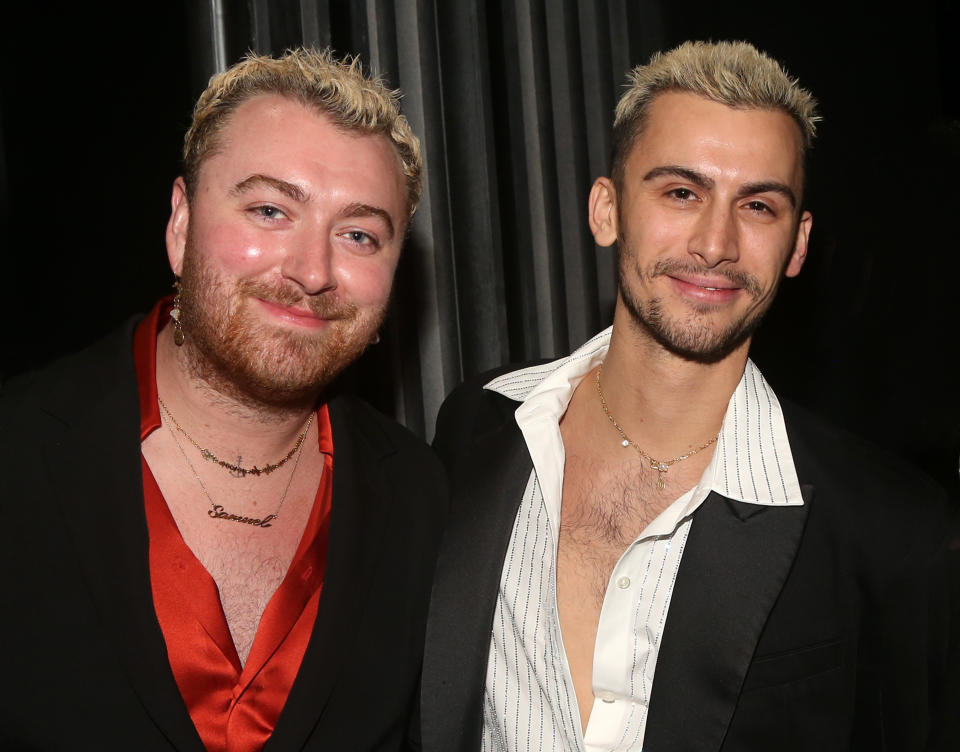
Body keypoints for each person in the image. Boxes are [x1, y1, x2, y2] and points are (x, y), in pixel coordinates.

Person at [421, 41, 956, 751]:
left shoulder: (893, 532)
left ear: (796, 246)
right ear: (607, 210)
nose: (715, 244)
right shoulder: (479, 427)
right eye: (681, 192)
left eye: (758, 206)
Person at [0, 48, 445, 750]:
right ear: (181, 224)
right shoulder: (18, 457)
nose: (312, 270)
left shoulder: (424, 506)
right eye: (270, 210)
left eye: (358, 234)